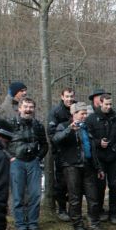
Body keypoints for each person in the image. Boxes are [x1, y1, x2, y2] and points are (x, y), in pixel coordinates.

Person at [53, 102, 107, 230]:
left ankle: (94, 226)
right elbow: (56, 139)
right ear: (74, 114)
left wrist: (98, 167)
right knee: (75, 198)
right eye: (82, 113)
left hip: (88, 166)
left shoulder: (86, 127)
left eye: (86, 113)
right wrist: (69, 130)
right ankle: (78, 226)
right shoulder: (64, 126)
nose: (85, 116)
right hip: (71, 167)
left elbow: (92, 149)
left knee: (93, 197)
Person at [8, 97, 48, 230]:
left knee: (35, 194)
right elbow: (2, 143)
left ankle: (33, 224)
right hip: (16, 162)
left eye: (31, 107)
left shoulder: (38, 125)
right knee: (18, 195)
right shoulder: (11, 123)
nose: (28, 110)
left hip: (33, 162)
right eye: (25, 107)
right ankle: (20, 225)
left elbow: (45, 144)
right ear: (19, 108)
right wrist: (10, 157)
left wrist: (38, 157)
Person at [86, 93, 116, 224]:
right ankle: (100, 210)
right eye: (106, 104)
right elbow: (88, 138)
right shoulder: (91, 119)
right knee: (100, 186)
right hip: (99, 159)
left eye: (110, 104)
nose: (109, 106)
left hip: (114, 157)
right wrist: (98, 143)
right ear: (100, 103)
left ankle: (114, 212)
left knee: (114, 186)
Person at [48, 87, 76, 221]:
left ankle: (73, 210)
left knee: (74, 183)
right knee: (61, 182)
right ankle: (62, 209)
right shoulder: (55, 112)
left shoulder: (77, 108)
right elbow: (52, 134)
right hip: (61, 152)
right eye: (67, 96)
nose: (69, 99)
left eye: (71, 96)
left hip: (76, 151)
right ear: (62, 97)